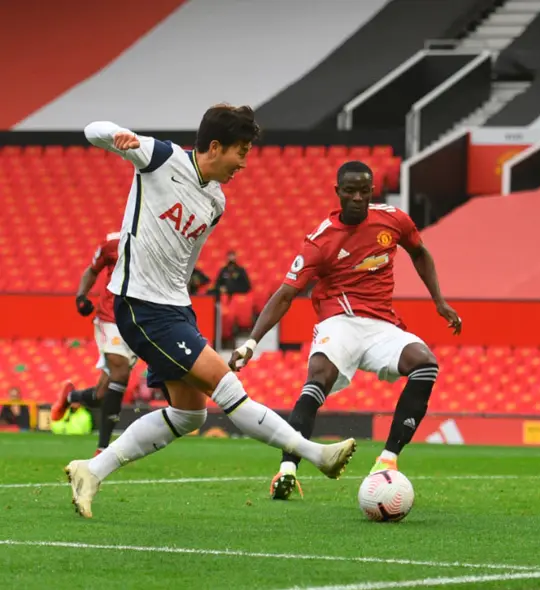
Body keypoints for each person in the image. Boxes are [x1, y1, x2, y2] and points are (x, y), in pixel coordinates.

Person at [64, 104, 357, 519]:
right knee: (226, 386)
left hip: (175, 308)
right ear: (215, 147)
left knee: (189, 414)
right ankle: (314, 453)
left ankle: (91, 471)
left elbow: (184, 261)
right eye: (240, 151)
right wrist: (118, 134)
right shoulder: (160, 157)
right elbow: (92, 128)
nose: (244, 162)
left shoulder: (216, 201)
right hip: (140, 305)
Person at [230, 161, 461, 500]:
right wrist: (251, 342)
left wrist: (439, 301)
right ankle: (287, 470)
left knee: (425, 363)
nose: (357, 197)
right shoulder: (321, 241)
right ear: (337, 192)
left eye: (364, 191)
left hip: (382, 325)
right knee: (317, 379)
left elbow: (420, 252)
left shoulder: (393, 220)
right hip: (339, 322)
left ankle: (388, 459)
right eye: (350, 191)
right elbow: (285, 294)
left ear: (371, 192)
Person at [52, 232, 139, 456]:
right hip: (110, 318)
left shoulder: (158, 242)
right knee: (120, 372)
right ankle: (103, 449)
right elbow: (92, 270)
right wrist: (81, 296)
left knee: (103, 393)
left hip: (138, 322)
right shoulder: (113, 244)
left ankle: (70, 397)